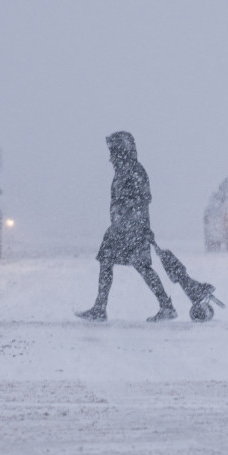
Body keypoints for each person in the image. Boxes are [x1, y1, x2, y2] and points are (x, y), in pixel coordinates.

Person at [76, 131, 176, 322]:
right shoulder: (123, 170)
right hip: (120, 227)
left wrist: (133, 219)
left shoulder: (135, 171)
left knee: (141, 266)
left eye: (113, 151)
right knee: (108, 262)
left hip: (132, 228)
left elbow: (143, 200)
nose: (110, 157)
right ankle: (100, 307)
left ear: (122, 150)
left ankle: (166, 306)